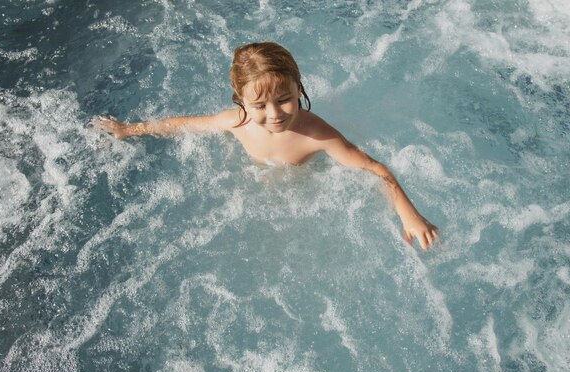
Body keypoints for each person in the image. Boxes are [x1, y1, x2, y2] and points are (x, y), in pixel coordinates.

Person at [92, 42, 439, 250]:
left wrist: (409, 214)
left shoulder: (317, 133)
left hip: (302, 188)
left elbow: (373, 169)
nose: (274, 115)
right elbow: (183, 125)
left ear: (299, 89)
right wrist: (129, 130)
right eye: (259, 106)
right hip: (254, 184)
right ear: (240, 101)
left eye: (285, 100)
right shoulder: (236, 122)